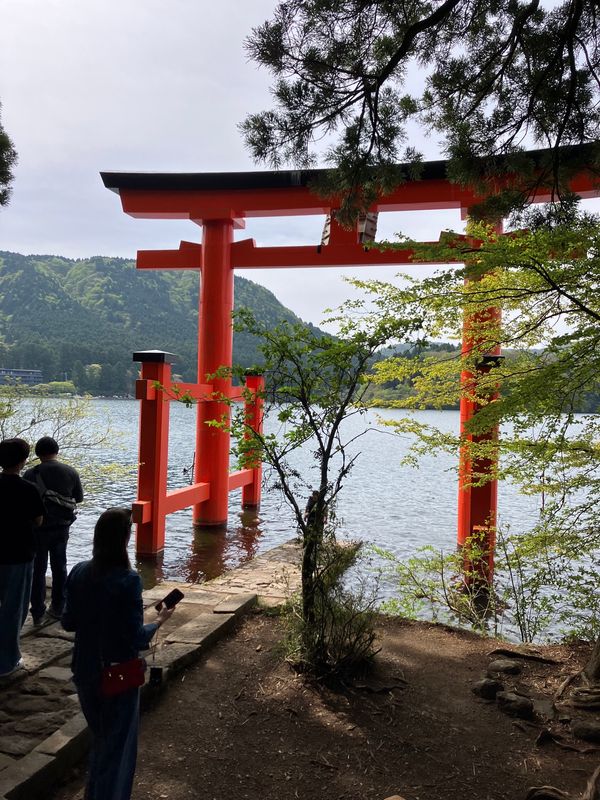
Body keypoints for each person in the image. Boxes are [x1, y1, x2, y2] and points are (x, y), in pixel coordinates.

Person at [62, 507, 174, 800]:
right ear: (125, 538)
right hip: (118, 674)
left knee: (101, 740)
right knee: (119, 749)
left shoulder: (79, 571)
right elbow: (136, 638)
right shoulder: (128, 579)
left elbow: (68, 621)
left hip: (84, 670)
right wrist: (159, 622)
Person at [24, 436, 84, 624]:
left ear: (38, 453)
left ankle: (38, 612)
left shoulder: (30, 474)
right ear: (56, 451)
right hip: (61, 528)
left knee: (38, 569)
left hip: (38, 530)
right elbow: (79, 498)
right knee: (60, 567)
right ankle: (58, 606)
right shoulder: (70, 471)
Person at [0, 438, 44, 677]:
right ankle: (7, 661)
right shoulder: (28, 488)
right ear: (22, 460)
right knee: (13, 608)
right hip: (18, 552)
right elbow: (38, 520)